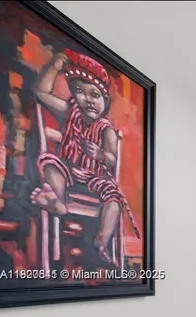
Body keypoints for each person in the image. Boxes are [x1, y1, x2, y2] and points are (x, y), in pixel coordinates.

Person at [30, 49, 139, 264]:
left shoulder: (106, 129)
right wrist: (54, 67)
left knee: (114, 198)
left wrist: (100, 154)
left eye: (95, 95)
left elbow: (112, 159)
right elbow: (40, 93)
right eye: (80, 92)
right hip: (70, 172)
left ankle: (102, 240)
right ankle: (59, 202)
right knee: (50, 163)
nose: (88, 100)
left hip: (94, 178)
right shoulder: (70, 112)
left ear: (105, 101)